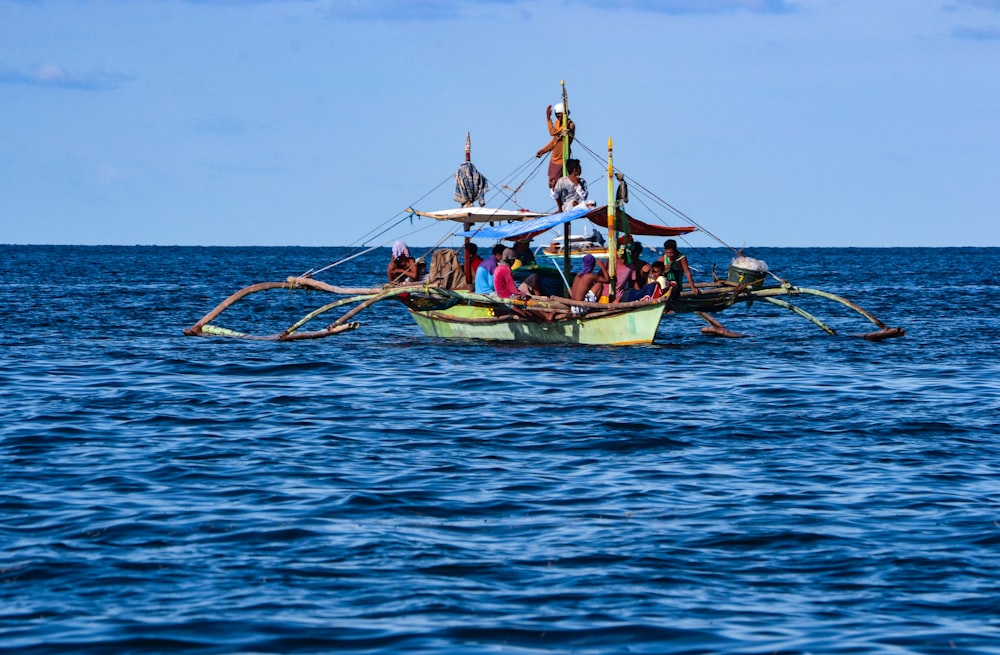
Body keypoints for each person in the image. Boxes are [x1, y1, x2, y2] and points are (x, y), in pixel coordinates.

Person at [535, 102, 575, 189]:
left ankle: (562, 201)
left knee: (556, 184)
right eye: (556, 116)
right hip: (554, 158)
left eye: (559, 116)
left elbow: (552, 132)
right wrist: (543, 150)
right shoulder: (557, 122)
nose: (558, 118)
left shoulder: (570, 125)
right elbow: (554, 140)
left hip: (562, 158)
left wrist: (548, 119)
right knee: (551, 183)